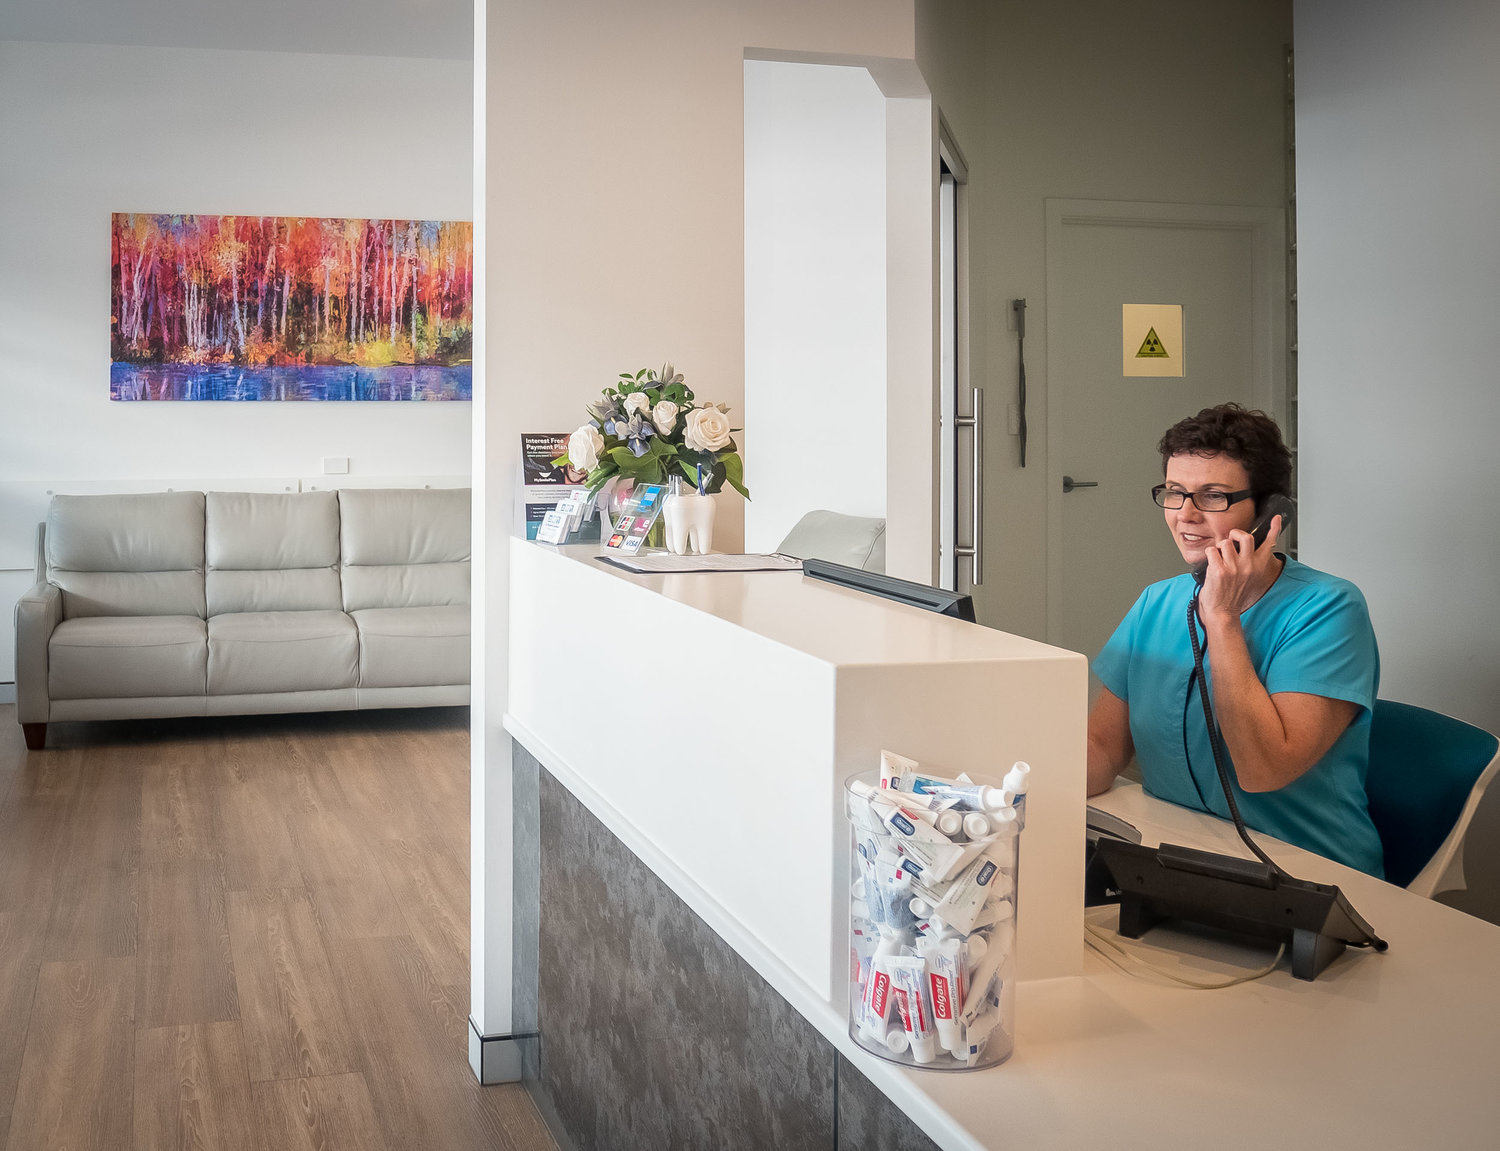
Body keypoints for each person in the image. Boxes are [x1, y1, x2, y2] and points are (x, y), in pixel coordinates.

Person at [1087, 403, 1384, 876]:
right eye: (1175, 492)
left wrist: (1222, 616)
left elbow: (1263, 770)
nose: (1186, 515)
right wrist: (1004, 787)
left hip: (1305, 873)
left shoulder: (1330, 609)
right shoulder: (1157, 602)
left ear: (1270, 513)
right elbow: (1103, 746)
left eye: (1213, 497)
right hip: (1174, 854)